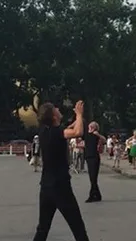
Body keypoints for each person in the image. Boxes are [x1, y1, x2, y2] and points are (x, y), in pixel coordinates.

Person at [32, 100, 89, 241]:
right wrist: (80, 114)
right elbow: (78, 132)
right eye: (55, 108)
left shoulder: (44, 131)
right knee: (77, 225)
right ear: (53, 116)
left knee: (43, 228)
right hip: (60, 186)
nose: (58, 108)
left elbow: (68, 129)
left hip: (46, 186)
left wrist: (77, 118)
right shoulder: (57, 133)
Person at [84, 121, 105, 203]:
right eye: (90, 126)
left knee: (93, 178)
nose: (90, 127)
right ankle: (98, 195)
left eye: (92, 126)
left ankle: (92, 196)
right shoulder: (86, 134)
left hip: (94, 157)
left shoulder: (96, 135)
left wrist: (98, 134)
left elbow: (104, 140)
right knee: (92, 178)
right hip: (88, 157)